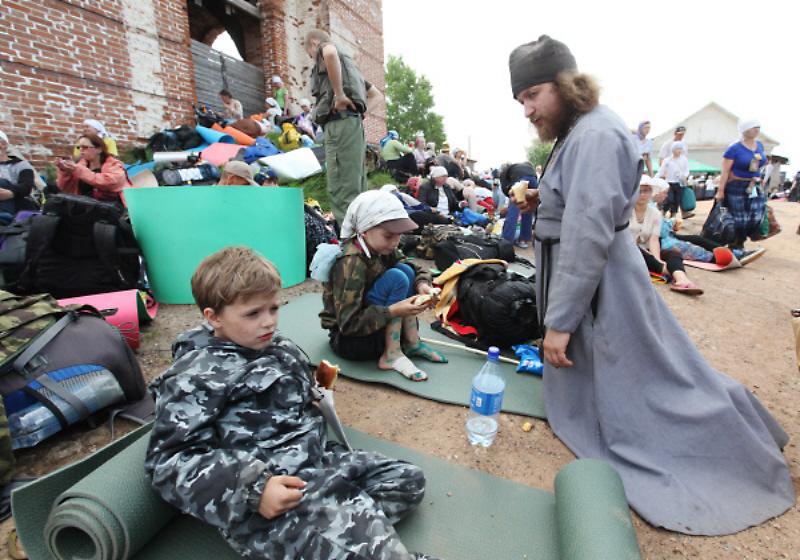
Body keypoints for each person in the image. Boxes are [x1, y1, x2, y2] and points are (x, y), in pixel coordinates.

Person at [509, 35, 793, 536]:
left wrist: (560, 321)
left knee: (646, 380)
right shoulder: (580, 129)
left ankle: (726, 450)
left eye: (533, 94)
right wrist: (541, 198)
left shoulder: (595, 135)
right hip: (595, 273)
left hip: (601, 279)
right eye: (521, 100)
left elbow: (589, 229)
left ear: (566, 84)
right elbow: (579, 197)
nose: (527, 109)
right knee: (642, 368)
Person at [145, 246, 431, 559]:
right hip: (276, 490)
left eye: (273, 308)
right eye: (253, 313)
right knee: (360, 535)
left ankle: (338, 529)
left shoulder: (272, 343)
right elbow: (168, 462)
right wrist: (254, 489)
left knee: (407, 481)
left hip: (319, 460)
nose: (268, 322)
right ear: (214, 318)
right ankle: (346, 536)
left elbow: (296, 389)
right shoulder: (195, 375)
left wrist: (317, 391)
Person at [320, 191, 447, 381]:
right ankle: (392, 353)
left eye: (399, 236)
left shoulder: (380, 247)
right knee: (397, 277)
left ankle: (411, 342)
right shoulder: (351, 262)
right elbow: (348, 324)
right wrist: (393, 311)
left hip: (373, 325)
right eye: (388, 236)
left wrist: (422, 285)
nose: (395, 243)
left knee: (405, 271)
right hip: (350, 341)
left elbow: (412, 266)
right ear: (364, 230)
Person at [305, 29, 382, 225]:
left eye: (310, 54)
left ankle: (349, 238)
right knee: (356, 185)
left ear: (313, 43)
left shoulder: (325, 48)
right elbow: (377, 95)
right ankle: (362, 234)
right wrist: (361, 113)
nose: (313, 57)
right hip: (352, 125)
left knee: (341, 186)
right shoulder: (351, 67)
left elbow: (329, 53)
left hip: (339, 124)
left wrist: (339, 96)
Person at [630, 176, 702, 295]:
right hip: (630, 250)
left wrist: (657, 258)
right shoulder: (626, 211)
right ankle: (668, 270)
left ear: (651, 192)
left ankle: (682, 280)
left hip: (646, 249)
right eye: (639, 191)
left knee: (673, 253)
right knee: (638, 252)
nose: (642, 194)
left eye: (646, 190)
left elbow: (654, 239)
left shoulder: (655, 213)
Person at [716, 119, 767, 249]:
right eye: (753, 127)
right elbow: (725, 171)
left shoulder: (759, 146)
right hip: (737, 186)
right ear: (745, 129)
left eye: (758, 127)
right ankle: (736, 244)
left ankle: (748, 237)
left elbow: (760, 164)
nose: (756, 129)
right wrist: (720, 190)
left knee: (756, 215)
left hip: (754, 185)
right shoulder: (734, 148)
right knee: (739, 218)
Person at [56, 133, 130, 204]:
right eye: (79, 147)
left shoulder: (114, 165)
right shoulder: (80, 165)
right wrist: (65, 171)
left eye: (85, 147)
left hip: (109, 207)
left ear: (99, 149)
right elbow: (64, 188)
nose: (81, 150)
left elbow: (109, 182)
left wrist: (78, 170)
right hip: (83, 207)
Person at [0, 130, 37, 223]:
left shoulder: (21, 165)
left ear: (3, 144)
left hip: (18, 205)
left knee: (2, 183)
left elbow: (26, 187)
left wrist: (10, 193)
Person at [498, 161, 537, 248]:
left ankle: (506, 241)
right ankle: (524, 240)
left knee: (513, 212)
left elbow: (505, 188)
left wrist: (511, 199)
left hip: (520, 179)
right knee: (527, 208)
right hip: (533, 179)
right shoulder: (521, 166)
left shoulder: (505, 171)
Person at [657, 141, 691, 218]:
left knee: (677, 200)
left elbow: (686, 170)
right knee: (669, 199)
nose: (679, 151)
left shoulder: (684, 160)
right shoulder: (667, 160)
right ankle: (663, 212)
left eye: (680, 149)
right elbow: (661, 170)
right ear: (673, 150)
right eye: (677, 149)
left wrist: (685, 176)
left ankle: (673, 216)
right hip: (669, 182)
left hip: (679, 183)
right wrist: (659, 178)